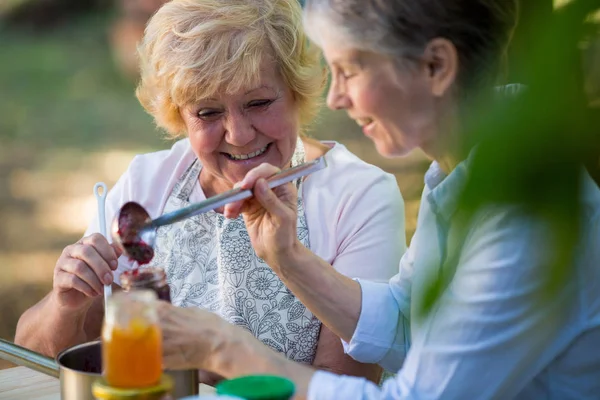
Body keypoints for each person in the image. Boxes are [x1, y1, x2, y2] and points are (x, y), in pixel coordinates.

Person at [153, 0, 600, 399]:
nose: (335, 98)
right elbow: (408, 325)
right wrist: (286, 256)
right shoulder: (466, 171)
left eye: (349, 70)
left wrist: (225, 350)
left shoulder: (521, 203)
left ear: (435, 66)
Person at [14, 0, 406, 384]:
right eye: (207, 112)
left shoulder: (358, 196)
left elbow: (346, 386)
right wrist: (66, 305)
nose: (238, 134)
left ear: (296, 91)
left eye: (258, 102)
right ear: (178, 114)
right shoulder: (148, 185)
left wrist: (215, 358)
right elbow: (34, 360)